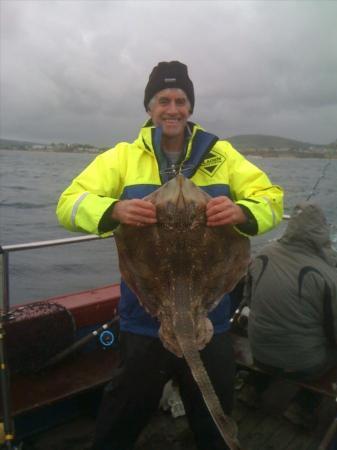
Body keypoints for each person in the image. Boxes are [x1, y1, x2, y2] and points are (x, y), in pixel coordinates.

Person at [56, 61, 284, 450]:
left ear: (190, 107)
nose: (173, 108)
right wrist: (113, 210)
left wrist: (244, 212)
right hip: (145, 316)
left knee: (214, 415)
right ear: (149, 108)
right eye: (163, 100)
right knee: (124, 411)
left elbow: (272, 199)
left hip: (210, 314)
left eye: (181, 100)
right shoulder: (122, 157)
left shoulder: (221, 155)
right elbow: (68, 204)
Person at [243, 202, 337, 424]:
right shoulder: (328, 276)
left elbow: (249, 300)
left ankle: (252, 388)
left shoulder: (262, 255)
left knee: (274, 332)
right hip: (304, 366)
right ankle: (303, 407)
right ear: (323, 232)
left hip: (260, 354)